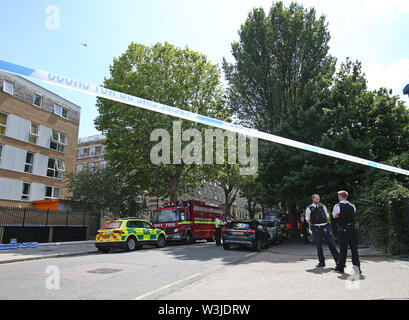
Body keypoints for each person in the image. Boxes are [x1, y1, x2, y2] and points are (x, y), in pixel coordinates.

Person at [332, 191, 361, 274]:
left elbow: (334, 216)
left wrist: (338, 215)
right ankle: (357, 269)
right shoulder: (352, 206)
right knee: (354, 249)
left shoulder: (337, 206)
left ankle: (340, 267)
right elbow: (353, 214)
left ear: (340, 197)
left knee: (343, 249)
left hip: (344, 230)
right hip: (353, 229)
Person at [306, 194, 339, 268]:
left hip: (325, 227)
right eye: (316, 198)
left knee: (332, 244)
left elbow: (327, 216)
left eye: (319, 198)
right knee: (319, 246)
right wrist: (315, 225)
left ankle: (338, 261)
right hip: (316, 229)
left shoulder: (322, 206)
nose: (318, 200)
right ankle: (321, 262)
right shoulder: (309, 208)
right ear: (313, 199)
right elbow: (307, 219)